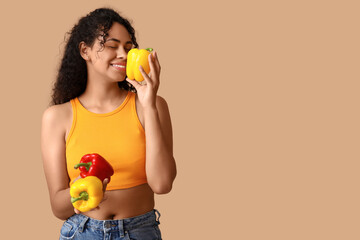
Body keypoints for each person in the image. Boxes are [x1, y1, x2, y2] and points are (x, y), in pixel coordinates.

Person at [41, 7, 177, 240]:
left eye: (128, 47)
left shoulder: (151, 106)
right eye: (112, 46)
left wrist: (150, 104)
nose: (123, 54)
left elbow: (162, 183)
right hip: (82, 232)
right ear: (85, 50)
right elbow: (58, 207)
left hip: (140, 231)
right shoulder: (57, 117)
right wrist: (85, 190)